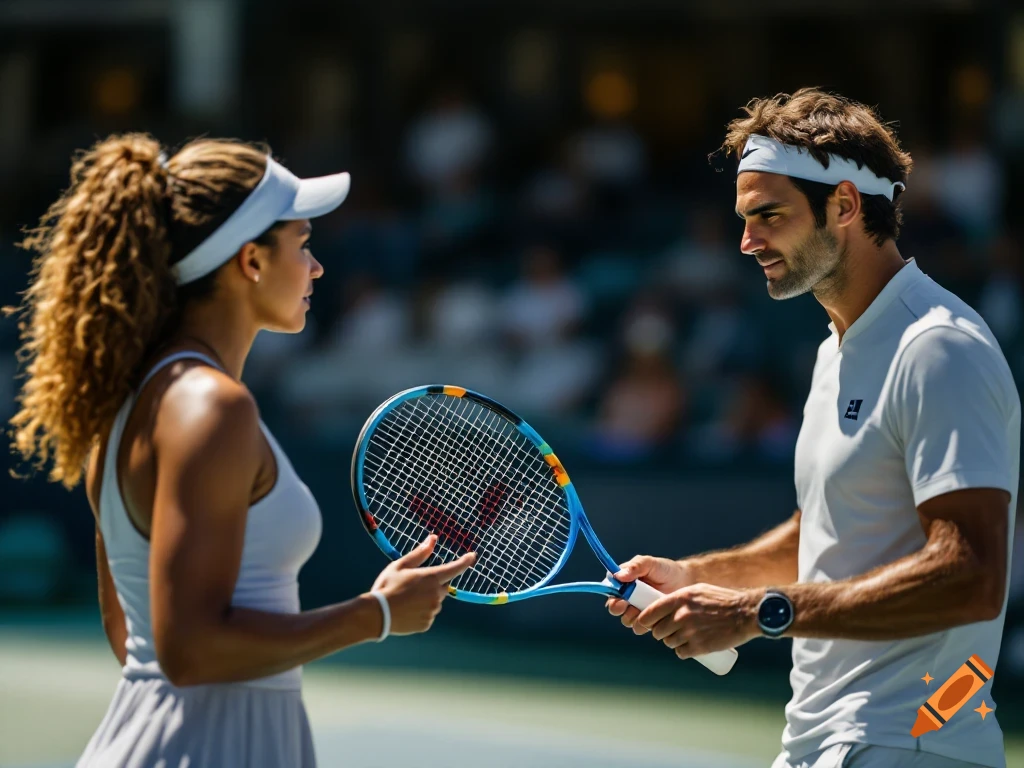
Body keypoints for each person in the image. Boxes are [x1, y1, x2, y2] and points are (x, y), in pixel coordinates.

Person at [6, 134, 475, 767]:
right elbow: (188, 649)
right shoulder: (212, 408)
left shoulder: (131, 403)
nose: (317, 268)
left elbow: (133, 639)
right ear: (251, 261)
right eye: (303, 246)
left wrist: (375, 610)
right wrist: (375, 615)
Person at [606, 89, 1019, 768]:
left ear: (847, 206)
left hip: (911, 743)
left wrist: (755, 613)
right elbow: (827, 530)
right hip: (824, 742)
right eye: (744, 219)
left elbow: (972, 574)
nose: (747, 242)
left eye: (769, 216)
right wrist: (693, 575)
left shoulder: (939, 348)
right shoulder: (837, 349)